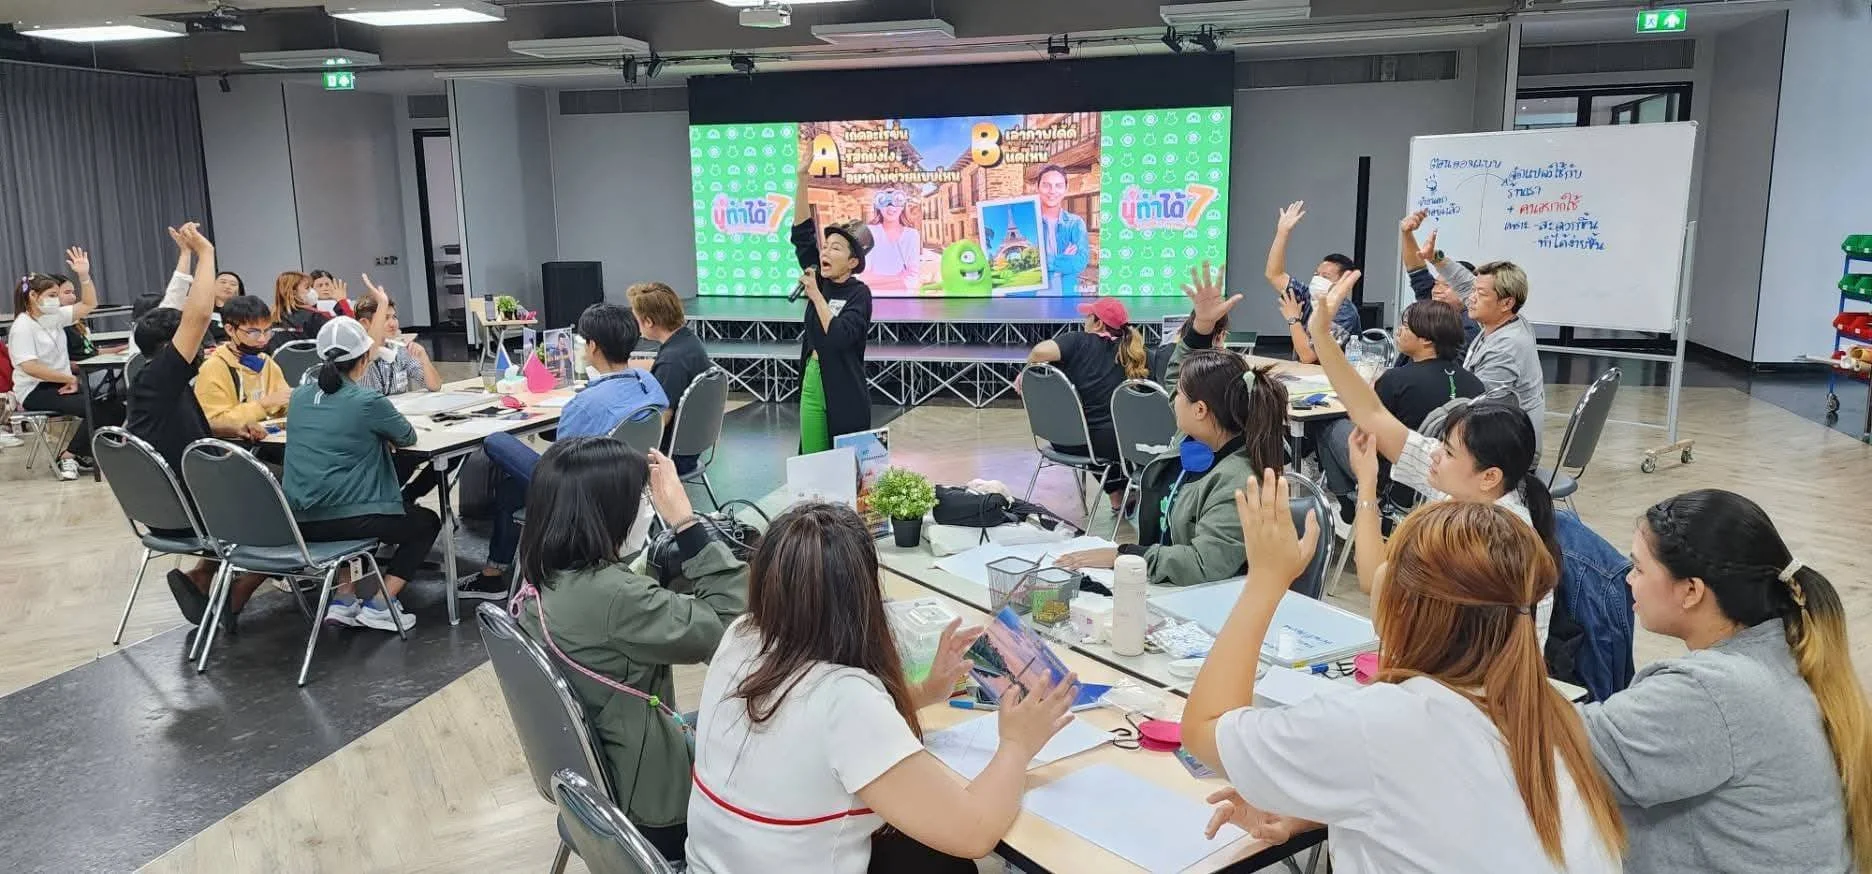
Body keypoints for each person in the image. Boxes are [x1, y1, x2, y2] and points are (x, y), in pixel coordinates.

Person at [1183, 487, 1625, 873]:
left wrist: (1265, 581)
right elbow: (1465, 811)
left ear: (1409, 608)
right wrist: (1322, 806)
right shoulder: (1547, 708)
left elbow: (1205, 728)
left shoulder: (1386, 722)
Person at [685, 501, 1077, 874]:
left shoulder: (741, 637)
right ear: (863, 595)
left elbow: (819, 740)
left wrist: (924, 692)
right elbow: (974, 832)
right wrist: (1017, 746)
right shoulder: (843, 697)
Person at [1577, 489, 1872, 873]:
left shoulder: (1710, 693)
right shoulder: (1786, 649)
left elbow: (1562, 749)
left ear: (1691, 591)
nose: (1628, 579)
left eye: (1639, 568)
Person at [513, 437, 748, 864]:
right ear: (608, 512)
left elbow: (616, 608)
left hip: (600, 787)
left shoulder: (544, 575)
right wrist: (687, 523)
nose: (646, 508)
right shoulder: (616, 599)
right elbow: (734, 625)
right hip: (655, 807)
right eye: (641, 498)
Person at [1307, 270, 1560, 642]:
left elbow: (1376, 591)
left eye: (1448, 450)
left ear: (1490, 475)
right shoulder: (1472, 484)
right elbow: (1373, 415)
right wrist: (1321, 335)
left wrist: (1366, 488)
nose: (1434, 455)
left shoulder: (1484, 535)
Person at [1058, 267, 1288, 586]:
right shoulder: (1196, 436)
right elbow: (1179, 371)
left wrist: (1126, 555)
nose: (1171, 395)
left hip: (1203, 600)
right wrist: (1202, 326)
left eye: (1179, 393)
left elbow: (1203, 563)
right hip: (1163, 585)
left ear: (1200, 409)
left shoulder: (1238, 479)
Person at [461, 303, 669, 601]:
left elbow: (558, 464)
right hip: (631, 482)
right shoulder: (648, 383)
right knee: (510, 492)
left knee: (495, 440)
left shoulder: (584, 404)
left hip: (578, 490)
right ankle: (493, 572)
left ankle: (493, 574)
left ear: (594, 346)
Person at [126, 223, 273, 628]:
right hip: (189, 506)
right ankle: (233, 599)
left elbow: (191, 432)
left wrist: (232, 431)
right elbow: (198, 314)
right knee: (290, 508)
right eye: (193, 340)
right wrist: (205, 254)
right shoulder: (160, 376)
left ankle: (202, 577)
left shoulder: (159, 385)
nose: (204, 345)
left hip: (171, 500)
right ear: (172, 345)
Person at [284, 316, 441, 632]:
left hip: (298, 520)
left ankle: (344, 597)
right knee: (425, 522)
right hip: (349, 517)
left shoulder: (299, 397)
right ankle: (382, 603)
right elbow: (407, 437)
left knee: (352, 506)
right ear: (365, 356)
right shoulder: (367, 400)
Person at [1315, 300, 1483, 511]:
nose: (1399, 331)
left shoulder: (1396, 380)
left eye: (1406, 326)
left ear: (1426, 340)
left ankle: (1349, 505)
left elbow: (1368, 431)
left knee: (1329, 427)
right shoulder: (1475, 383)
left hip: (1397, 476)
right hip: (1448, 481)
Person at [9, 251, 123, 480]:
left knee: (117, 404)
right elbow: (30, 367)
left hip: (62, 383)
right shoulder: (22, 326)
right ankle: (68, 456)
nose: (56, 300)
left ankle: (83, 453)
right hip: (36, 389)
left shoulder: (55, 316)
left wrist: (84, 275)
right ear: (33, 296)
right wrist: (70, 379)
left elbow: (90, 303)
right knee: (97, 409)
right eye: (51, 295)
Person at [1025, 298, 1149, 508]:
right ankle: (1133, 494)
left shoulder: (1078, 341)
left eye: (1088, 317)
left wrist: (1026, 371)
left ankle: (1117, 495)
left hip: (1064, 438)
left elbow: (1039, 352)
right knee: (1133, 433)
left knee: (1100, 431)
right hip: (1106, 445)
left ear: (1098, 323)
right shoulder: (1131, 353)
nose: (1085, 321)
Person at [791, 203, 874, 455]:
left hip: (846, 387)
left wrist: (816, 297)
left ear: (852, 261)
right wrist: (802, 177)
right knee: (813, 460)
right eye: (825, 246)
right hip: (813, 376)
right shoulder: (820, 280)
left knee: (844, 463)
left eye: (835, 248)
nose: (825, 252)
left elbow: (839, 336)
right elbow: (802, 236)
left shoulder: (859, 294)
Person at [1462, 260, 1546, 454]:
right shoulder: (1511, 321)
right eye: (1473, 290)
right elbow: (1461, 282)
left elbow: (1475, 404)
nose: (1470, 298)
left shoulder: (1507, 348)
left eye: (1480, 294)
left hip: (1508, 451)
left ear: (1507, 303)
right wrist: (1436, 259)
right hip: (1502, 434)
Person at [628, 281, 711, 473]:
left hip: (670, 457)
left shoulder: (671, 361)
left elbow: (661, 418)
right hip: (690, 448)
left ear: (648, 321)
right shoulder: (688, 342)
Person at [1265, 200, 1360, 365]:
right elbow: (1274, 274)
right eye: (1316, 274)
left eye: (1325, 276)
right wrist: (1282, 233)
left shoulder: (1345, 314)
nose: (1317, 279)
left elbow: (1309, 357)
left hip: (1328, 380)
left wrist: (1293, 319)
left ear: (1344, 281)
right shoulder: (1308, 295)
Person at [193, 294, 292, 450]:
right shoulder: (214, 367)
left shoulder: (266, 361)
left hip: (268, 444)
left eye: (267, 331)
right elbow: (212, 422)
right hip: (232, 450)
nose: (262, 340)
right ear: (230, 329)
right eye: (253, 332)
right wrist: (263, 405)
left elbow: (284, 402)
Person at [1398, 211, 1479, 355]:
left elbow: (1453, 365)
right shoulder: (1434, 306)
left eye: (1447, 285)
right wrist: (1406, 233)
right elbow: (1416, 270)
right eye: (1436, 283)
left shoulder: (1468, 325)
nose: (1436, 290)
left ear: (1466, 290)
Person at [353, 281, 442, 395]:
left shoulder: (399, 349)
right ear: (365, 323)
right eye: (385, 318)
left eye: (394, 317)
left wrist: (424, 359)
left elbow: (435, 386)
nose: (392, 323)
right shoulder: (358, 355)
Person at [1034, 164, 1090, 296]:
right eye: (1046, 185)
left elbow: (1080, 262)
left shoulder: (1075, 223)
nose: (1052, 191)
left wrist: (1043, 262)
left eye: (1058, 185)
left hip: (1066, 296)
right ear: (1037, 187)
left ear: (1066, 189)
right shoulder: (1029, 222)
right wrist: (1063, 259)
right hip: (1031, 299)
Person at [860, 189, 922, 294]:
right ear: (878, 206)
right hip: (873, 299)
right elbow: (863, 277)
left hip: (904, 300)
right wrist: (898, 278)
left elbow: (912, 279)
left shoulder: (912, 235)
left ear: (903, 206)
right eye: (884, 202)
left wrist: (877, 281)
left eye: (896, 201)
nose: (891, 207)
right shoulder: (869, 232)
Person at [269, 270, 328, 350]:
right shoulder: (314, 317)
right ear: (293, 292)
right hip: (311, 361)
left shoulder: (269, 319)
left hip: (277, 362)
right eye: (307, 288)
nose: (312, 291)